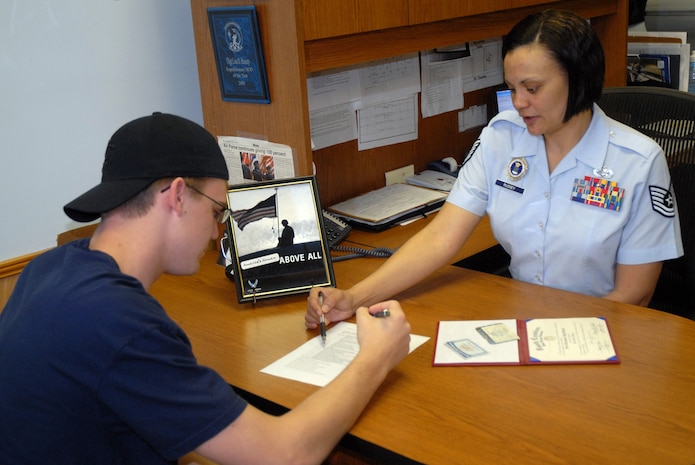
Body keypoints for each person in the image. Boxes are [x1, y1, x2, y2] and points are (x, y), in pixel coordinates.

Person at [0, 112, 411, 464]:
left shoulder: (49, 269)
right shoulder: (119, 322)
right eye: (217, 210)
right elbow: (286, 454)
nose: (218, 234)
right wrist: (375, 358)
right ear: (178, 196)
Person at [306, 9, 683, 330]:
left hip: (600, 334)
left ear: (579, 77)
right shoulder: (501, 138)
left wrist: (559, 345)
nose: (519, 102)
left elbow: (636, 294)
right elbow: (440, 238)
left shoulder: (638, 161)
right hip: (519, 324)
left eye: (532, 88)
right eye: (512, 87)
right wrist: (353, 298)